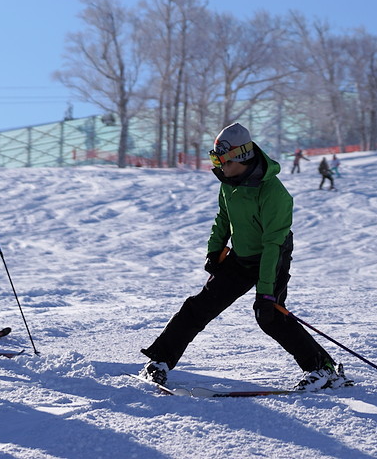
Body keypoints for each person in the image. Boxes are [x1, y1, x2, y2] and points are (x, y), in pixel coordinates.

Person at [139, 122, 344, 391]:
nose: (217, 165)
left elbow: (273, 245)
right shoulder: (229, 182)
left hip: (273, 256)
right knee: (199, 307)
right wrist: (215, 249)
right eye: (214, 158)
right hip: (241, 256)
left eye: (220, 159)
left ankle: (323, 369)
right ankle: (160, 361)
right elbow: (224, 217)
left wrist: (267, 293)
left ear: (241, 156)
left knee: (270, 316)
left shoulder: (275, 194)